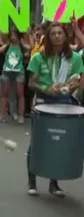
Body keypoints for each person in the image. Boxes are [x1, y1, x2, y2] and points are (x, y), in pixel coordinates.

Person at [25, 22, 84, 196]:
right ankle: (32, 180)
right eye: (53, 34)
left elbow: (78, 81)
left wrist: (72, 86)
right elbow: (31, 83)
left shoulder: (75, 58)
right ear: (48, 37)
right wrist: (47, 89)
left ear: (65, 36)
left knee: (58, 143)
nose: (57, 36)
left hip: (65, 102)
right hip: (43, 102)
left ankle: (54, 183)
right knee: (37, 141)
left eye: (60, 33)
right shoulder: (39, 58)